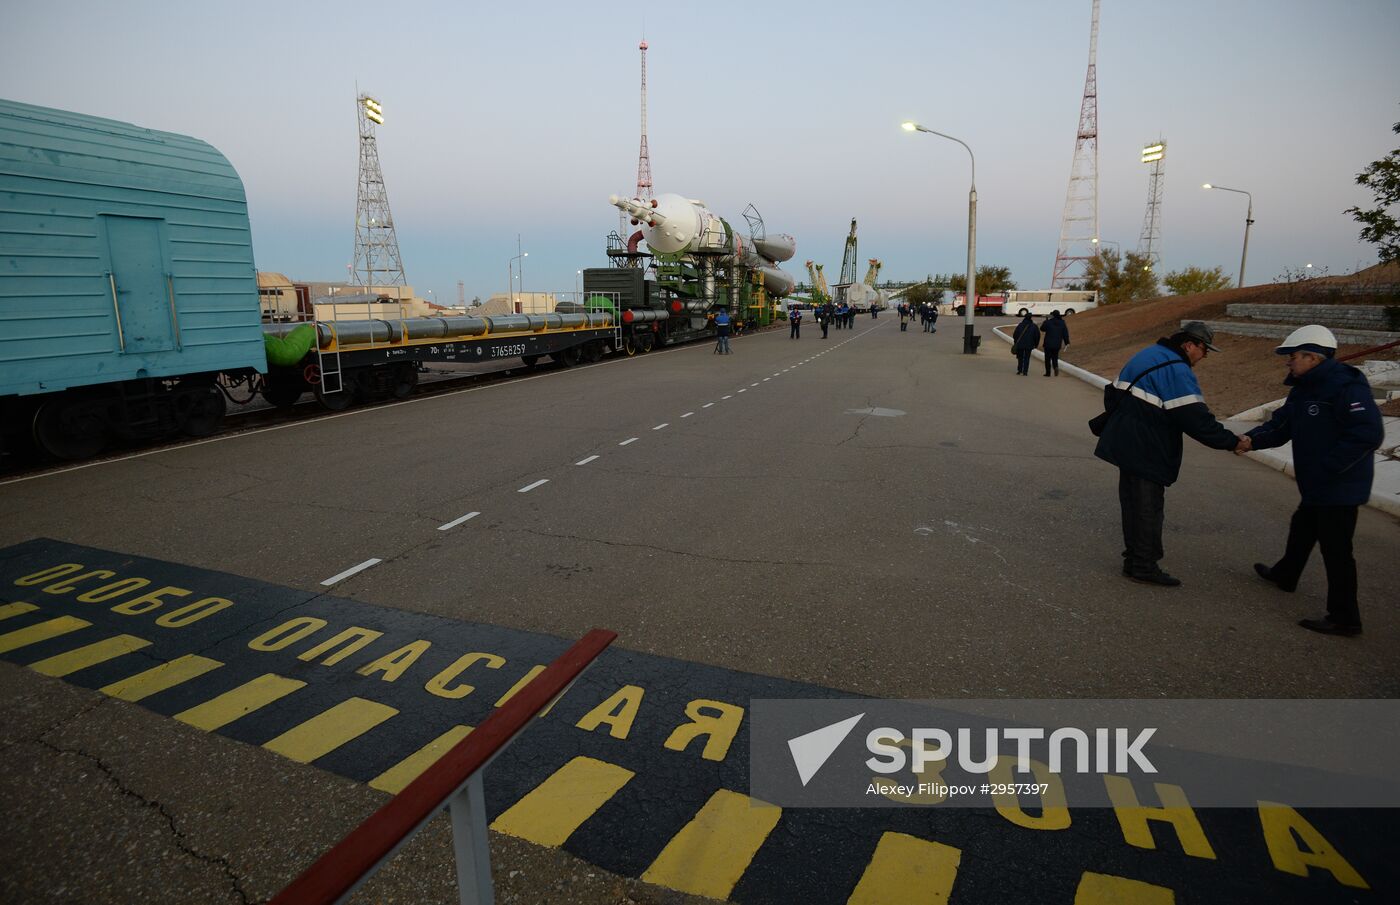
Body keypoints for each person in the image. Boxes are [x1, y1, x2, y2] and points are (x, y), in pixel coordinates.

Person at [1242, 325, 1384, 636]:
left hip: (1340, 487)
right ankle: (1286, 574)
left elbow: (1367, 435)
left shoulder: (1347, 388)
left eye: (1292, 357)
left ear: (1313, 357)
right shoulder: (1305, 388)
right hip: (1319, 485)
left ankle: (1345, 618)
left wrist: (1326, 469)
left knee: (1337, 551)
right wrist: (1248, 440)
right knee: (1302, 527)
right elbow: (1281, 426)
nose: (1288, 362)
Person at [1094, 322, 1242, 585]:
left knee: (1133, 505)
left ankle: (1134, 560)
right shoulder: (1176, 369)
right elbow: (1196, 419)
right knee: (1147, 508)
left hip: (1125, 442)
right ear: (1189, 345)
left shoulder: (1148, 354)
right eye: (1204, 349)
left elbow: (1113, 394)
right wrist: (1232, 442)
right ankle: (1143, 566)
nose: (1204, 356)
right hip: (1147, 448)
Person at [1041, 310, 1070, 376]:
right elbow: (1065, 333)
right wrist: (1067, 342)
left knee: (1047, 358)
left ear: (1053, 315)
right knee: (1055, 357)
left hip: (1048, 344)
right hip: (1057, 344)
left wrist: (1046, 320)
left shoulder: (1048, 322)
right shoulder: (1062, 323)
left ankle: (1048, 373)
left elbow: (1042, 329)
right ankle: (1055, 367)